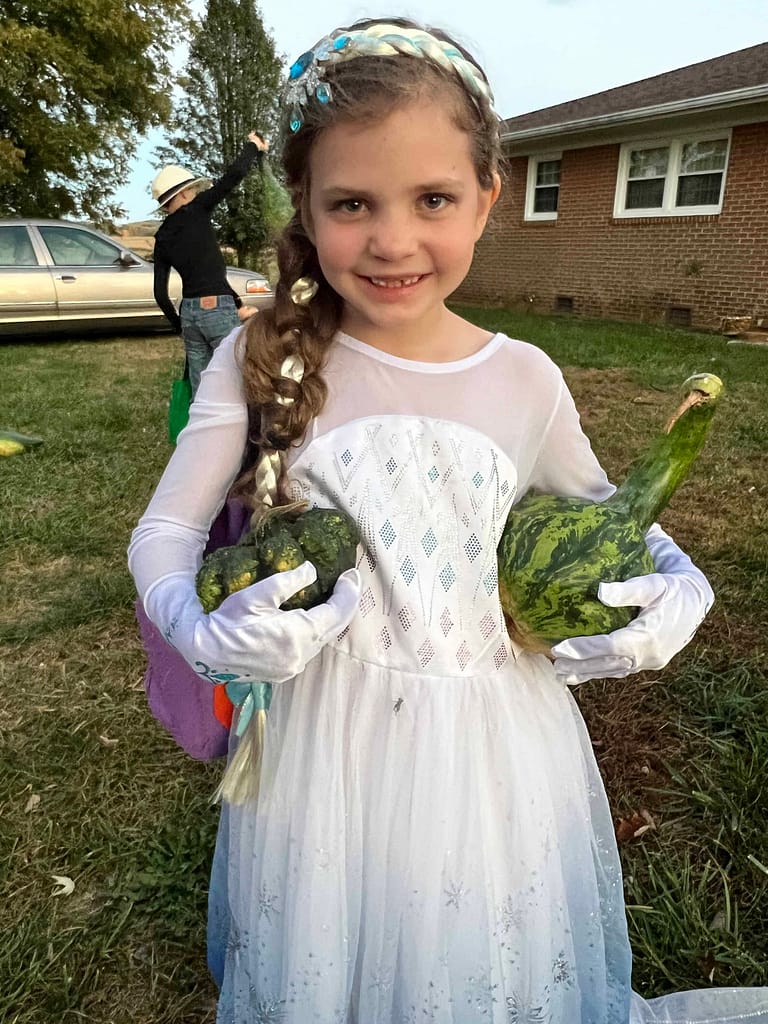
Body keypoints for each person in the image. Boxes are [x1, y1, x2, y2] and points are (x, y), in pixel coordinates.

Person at [128, 19, 768, 1024]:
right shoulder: (257, 358)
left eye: (432, 198)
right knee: (334, 945)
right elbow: (164, 531)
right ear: (305, 205)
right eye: (351, 203)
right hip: (325, 748)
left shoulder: (522, 378)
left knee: (483, 955)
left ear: (487, 198)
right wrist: (192, 620)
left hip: (496, 741)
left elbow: (615, 517)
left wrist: (679, 586)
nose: (392, 239)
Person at [151, 131, 269, 395]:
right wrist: (253, 145)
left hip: (190, 314)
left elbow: (160, 293)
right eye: (192, 189)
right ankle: (244, 431)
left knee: (201, 387)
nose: (195, 192)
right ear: (182, 194)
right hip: (217, 308)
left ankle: (201, 431)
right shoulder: (198, 210)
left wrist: (179, 324)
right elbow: (233, 176)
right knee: (238, 377)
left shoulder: (162, 237)